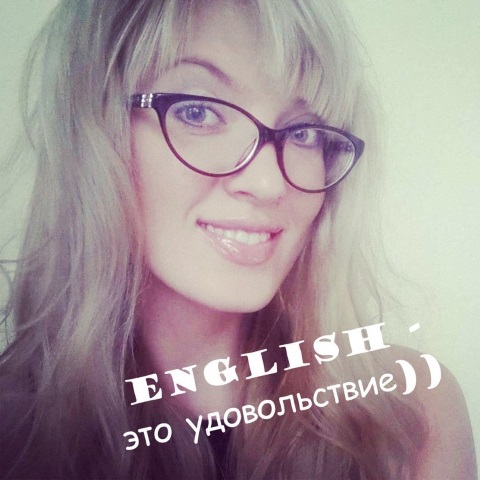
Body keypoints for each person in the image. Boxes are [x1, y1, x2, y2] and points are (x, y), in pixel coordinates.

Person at [0, 0, 476, 479]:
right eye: (198, 111)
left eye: (304, 132)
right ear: (93, 136)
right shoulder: (14, 434)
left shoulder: (406, 416)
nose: (269, 183)